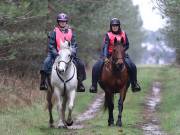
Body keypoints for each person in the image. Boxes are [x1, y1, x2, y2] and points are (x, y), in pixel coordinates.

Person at [89, 18, 141, 93]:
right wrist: (105, 57)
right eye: (113, 25)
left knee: (132, 65)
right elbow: (105, 46)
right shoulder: (108, 35)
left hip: (121, 55)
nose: (115, 27)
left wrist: (121, 51)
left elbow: (127, 45)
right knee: (96, 66)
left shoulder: (123, 33)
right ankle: (94, 85)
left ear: (119, 26)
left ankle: (134, 84)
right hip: (109, 54)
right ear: (111, 26)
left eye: (116, 25)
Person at [40, 13, 86, 92]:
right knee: (46, 63)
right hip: (56, 54)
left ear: (66, 22)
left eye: (64, 21)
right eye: (61, 21)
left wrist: (72, 53)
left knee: (81, 64)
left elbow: (74, 44)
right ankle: (43, 83)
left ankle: (80, 84)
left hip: (68, 55)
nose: (62, 23)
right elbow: (51, 45)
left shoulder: (71, 32)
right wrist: (56, 54)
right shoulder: (54, 32)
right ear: (58, 22)